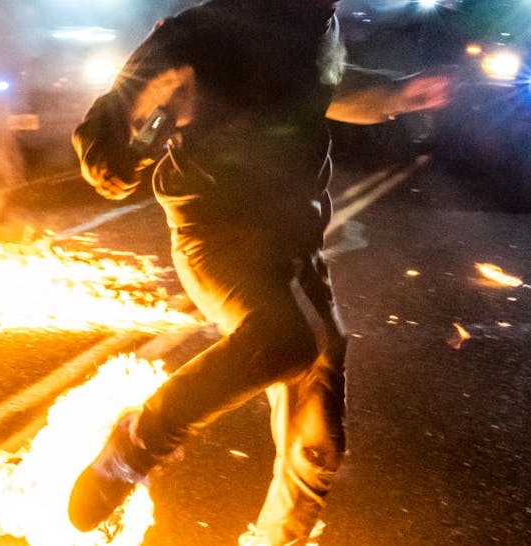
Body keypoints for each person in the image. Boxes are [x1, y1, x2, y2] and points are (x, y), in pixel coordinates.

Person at [65, 0, 450, 544]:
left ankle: (279, 538)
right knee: (282, 342)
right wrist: (119, 156)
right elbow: (103, 134)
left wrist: (399, 92)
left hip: (294, 246)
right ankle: (137, 442)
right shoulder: (203, 30)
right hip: (219, 237)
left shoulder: (319, 25)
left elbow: (327, 84)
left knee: (318, 439)